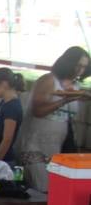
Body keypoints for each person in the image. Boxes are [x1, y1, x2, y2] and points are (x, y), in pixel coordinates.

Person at [17, 46, 90, 190]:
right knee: (41, 186)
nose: (79, 70)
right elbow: (37, 111)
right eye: (77, 65)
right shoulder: (49, 80)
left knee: (55, 187)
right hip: (35, 143)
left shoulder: (76, 85)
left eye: (83, 67)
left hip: (56, 146)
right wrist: (63, 101)